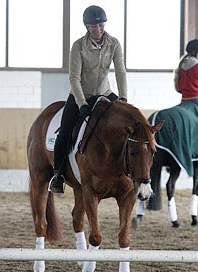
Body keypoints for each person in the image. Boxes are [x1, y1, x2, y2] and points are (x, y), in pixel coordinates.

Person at [48, 5, 127, 193]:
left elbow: (121, 71)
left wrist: (123, 97)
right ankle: (58, 175)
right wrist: (82, 103)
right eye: (93, 26)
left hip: (105, 93)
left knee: (129, 124)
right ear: (86, 27)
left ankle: (130, 171)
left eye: (101, 25)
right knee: (65, 132)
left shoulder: (114, 43)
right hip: (80, 95)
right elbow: (74, 78)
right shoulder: (78, 46)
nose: (98, 30)